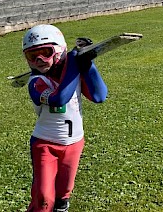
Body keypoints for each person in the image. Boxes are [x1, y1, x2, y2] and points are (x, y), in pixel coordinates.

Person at [22, 24, 108, 212]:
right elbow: (59, 98)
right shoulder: (35, 81)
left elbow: (99, 96)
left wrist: (88, 66)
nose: (39, 59)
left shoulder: (71, 74)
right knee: (44, 197)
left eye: (46, 52)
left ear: (59, 50)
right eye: (31, 55)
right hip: (45, 144)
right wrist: (74, 62)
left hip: (74, 142)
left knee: (63, 194)